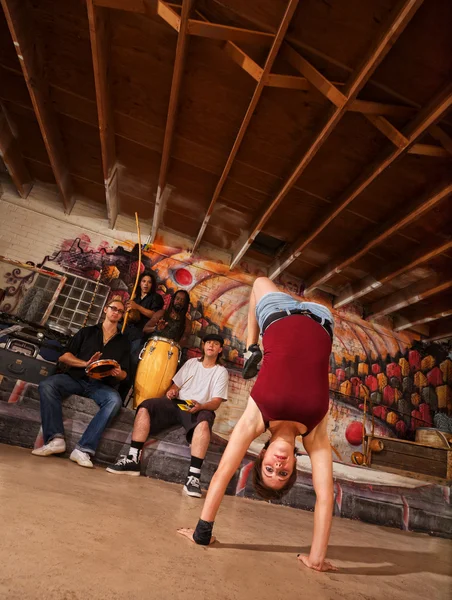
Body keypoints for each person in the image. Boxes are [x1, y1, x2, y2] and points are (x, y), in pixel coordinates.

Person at [177, 277, 337, 573]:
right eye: (284, 472)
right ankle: (253, 346)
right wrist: (316, 559)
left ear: (261, 456)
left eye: (269, 470)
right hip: (321, 319)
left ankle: (252, 346)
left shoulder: (256, 418)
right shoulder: (315, 433)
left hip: (277, 313)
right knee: (321, 295)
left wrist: (202, 533)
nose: (279, 464)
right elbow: (325, 495)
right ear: (293, 465)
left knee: (260, 282)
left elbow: (224, 473)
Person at [106, 334, 229, 498]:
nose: (211, 346)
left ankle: (193, 477)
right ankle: (133, 459)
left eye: (215, 344)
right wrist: (172, 391)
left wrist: (201, 406)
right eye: (208, 342)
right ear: (203, 346)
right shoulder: (192, 363)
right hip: (180, 403)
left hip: (199, 407)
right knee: (146, 406)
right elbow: (175, 385)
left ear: (220, 349)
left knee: (204, 422)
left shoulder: (221, 372)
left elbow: (216, 402)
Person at [32, 298, 130, 468]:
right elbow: (64, 356)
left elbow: (125, 375)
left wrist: (118, 373)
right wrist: (86, 364)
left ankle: (83, 449)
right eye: (113, 308)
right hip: (76, 379)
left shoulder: (124, 342)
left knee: (114, 401)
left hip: (101, 386)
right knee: (47, 385)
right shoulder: (87, 332)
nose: (116, 312)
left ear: (122, 316)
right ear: (105, 309)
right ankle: (55, 440)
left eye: (120, 311)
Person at [119, 271, 164, 400]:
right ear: (139, 283)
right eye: (144, 281)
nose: (146, 284)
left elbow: (155, 315)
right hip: (126, 334)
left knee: (131, 364)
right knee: (120, 362)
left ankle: (121, 397)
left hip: (140, 337)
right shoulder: (135, 297)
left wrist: (137, 307)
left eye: (149, 282)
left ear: (152, 285)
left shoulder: (156, 298)